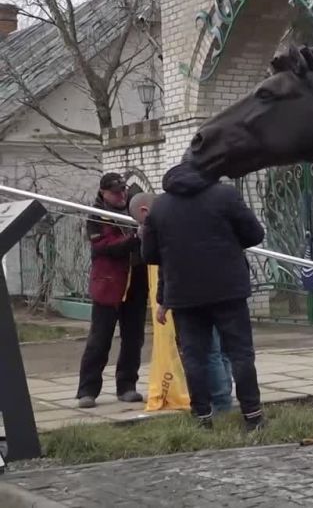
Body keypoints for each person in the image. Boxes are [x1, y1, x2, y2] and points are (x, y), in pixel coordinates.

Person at [140, 158, 266, 431]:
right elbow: (255, 234)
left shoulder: (159, 207)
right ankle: (253, 416)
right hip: (228, 289)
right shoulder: (225, 195)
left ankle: (203, 418)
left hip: (185, 295)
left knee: (195, 357)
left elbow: (149, 255)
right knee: (241, 354)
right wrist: (228, 244)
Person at [130, 193, 233, 413]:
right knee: (223, 350)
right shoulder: (207, 209)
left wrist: (164, 301)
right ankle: (225, 397)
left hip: (195, 293)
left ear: (145, 212)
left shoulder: (166, 220)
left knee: (209, 352)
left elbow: (164, 264)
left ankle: (221, 403)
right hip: (224, 287)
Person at [76, 172, 148, 408]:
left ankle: (127, 386)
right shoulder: (96, 216)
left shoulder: (135, 209)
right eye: (116, 192)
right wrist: (133, 239)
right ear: (104, 192)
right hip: (109, 284)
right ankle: (87, 391)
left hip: (136, 281)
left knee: (133, 338)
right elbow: (103, 247)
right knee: (99, 340)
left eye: (123, 191)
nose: (121, 195)